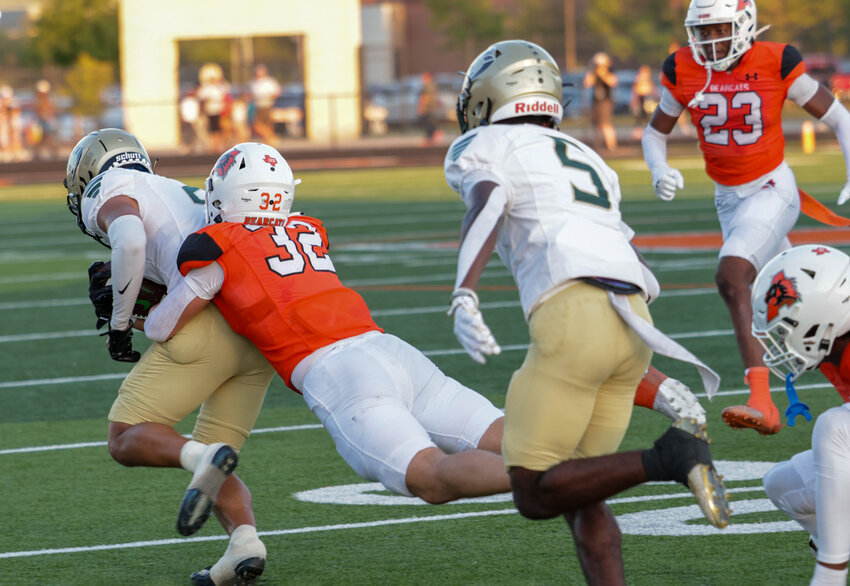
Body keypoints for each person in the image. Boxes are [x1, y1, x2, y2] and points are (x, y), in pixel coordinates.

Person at [445, 39, 730, 584]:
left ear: (487, 97)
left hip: (573, 317)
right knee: (583, 488)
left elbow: (490, 201)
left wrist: (465, 290)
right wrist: (652, 370)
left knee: (533, 490)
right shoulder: (588, 156)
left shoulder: (484, 144)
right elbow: (632, 260)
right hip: (634, 319)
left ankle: (671, 459)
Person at [144, 142, 512, 519]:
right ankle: (568, 460)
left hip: (341, 373)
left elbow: (161, 327)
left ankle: (556, 475)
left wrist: (142, 306)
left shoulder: (219, 248)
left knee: (428, 477)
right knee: (514, 438)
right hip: (390, 350)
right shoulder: (307, 229)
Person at [64, 129, 275, 585]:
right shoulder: (184, 192)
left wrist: (121, 327)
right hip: (257, 333)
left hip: (206, 326)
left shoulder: (109, 186)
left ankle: (205, 462)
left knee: (126, 438)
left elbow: (131, 242)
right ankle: (245, 544)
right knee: (213, 458)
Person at [641, 0, 850, 435]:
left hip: (772, 188)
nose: (709, 40)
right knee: (785, 306)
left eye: (718, 29)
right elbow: (654, 132)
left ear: (743, 24)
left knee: (732, 277)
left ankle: (762, 401)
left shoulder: (776, 60)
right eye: (702, 31)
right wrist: (659, 167)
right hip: (728, 200)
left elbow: (839, 118)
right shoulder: (681, 67)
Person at [750, 244, 850, 585]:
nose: (783, 339)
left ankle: (830, 574)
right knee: (783, 484)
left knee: (834, 427)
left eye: (788, 326)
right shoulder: (836, 342)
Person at [583, 52, 618, 152]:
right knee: (596, 124)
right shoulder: (594, 73)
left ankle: (612, 146)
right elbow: (587, 83)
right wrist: (593, 73)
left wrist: (603, 74)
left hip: (605, 101)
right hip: (596, 101)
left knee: (605, 123)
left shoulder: (609, 73)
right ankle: (598, 145)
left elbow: (613, 82)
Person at [249, 64, 281, 145]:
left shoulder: (269, 82)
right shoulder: (253, 82)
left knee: (267, 124)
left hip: (267, 105)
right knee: (258, 125)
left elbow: (276, 93)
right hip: (258, 106)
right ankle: (271, 137)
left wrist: (267, 96)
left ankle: (269, 139)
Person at [630, 65, 658, 139]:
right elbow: (635, 91)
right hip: (641, 99)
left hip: (647, 100)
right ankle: (637, 132)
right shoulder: (638, 80)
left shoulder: (648, 81)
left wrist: (656, 97)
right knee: (639, 116)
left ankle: (648, 131)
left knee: (647, 117)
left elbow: (653, 90)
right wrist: (634, 100)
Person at [417, 72, 444, 145]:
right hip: (432, 107)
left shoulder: (426, 86)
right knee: (430, 122)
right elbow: (436, 96)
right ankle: (434, 134)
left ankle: (430, 137)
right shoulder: (433, 85)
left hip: (427, 107)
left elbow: (423, 97)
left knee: (428, 123)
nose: (422, 79)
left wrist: (421, 106)